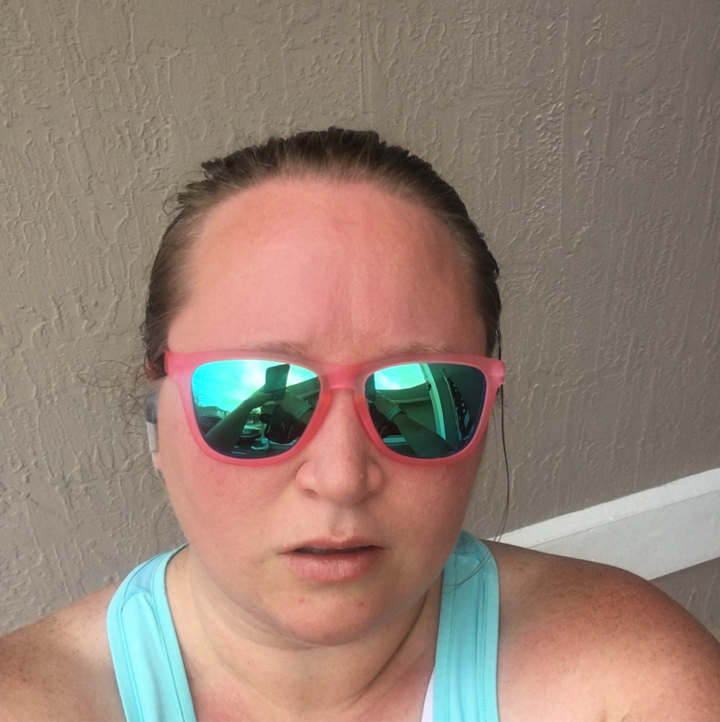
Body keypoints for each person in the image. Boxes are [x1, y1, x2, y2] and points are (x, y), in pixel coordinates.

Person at [1, 127, 719, 722]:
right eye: (259, 392)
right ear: (158, 416)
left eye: (422, 393)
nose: (341, 477)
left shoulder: (631, 685)